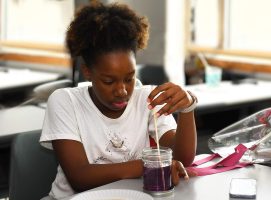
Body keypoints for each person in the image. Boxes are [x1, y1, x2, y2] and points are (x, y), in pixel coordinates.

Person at [40, 1, 198, 200]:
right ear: (87, 72)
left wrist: (187, 108)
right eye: (109, 81)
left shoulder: (147, 99)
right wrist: (149, 165)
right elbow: (79, 177)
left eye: (129, 78)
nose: (122, 91)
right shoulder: (65, 101)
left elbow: (181, 158)